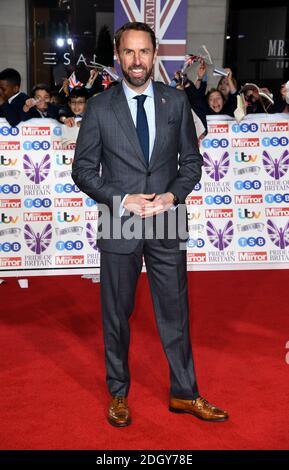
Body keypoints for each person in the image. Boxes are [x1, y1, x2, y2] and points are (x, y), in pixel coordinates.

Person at [72, 21, 229, 427]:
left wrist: (172, 196)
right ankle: (118, 393)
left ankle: (185, 393)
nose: (137, 60)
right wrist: (121, 199)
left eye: (144, 52)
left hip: (165, 218)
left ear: (154, 55)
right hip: (120, 218)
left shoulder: (176, 102)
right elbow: (83, 171)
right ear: (118, 57)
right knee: (116, 314)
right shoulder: (100, 106)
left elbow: (191, 163)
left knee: (175, 311)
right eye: (129, 52)